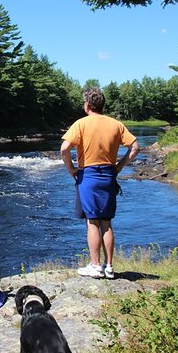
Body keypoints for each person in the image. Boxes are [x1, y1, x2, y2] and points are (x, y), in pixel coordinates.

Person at [60, 88, 140, 279]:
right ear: (102, 105)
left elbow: (64, 148)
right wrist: (119, 167)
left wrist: (71, 169)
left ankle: (95, 266)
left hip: (88, 176)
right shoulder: (116, 124)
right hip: (108, 176)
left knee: (93, 222)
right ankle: (109, 267)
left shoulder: (81, 124)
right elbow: (135, 147)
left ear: (87, 105)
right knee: (107, 223)